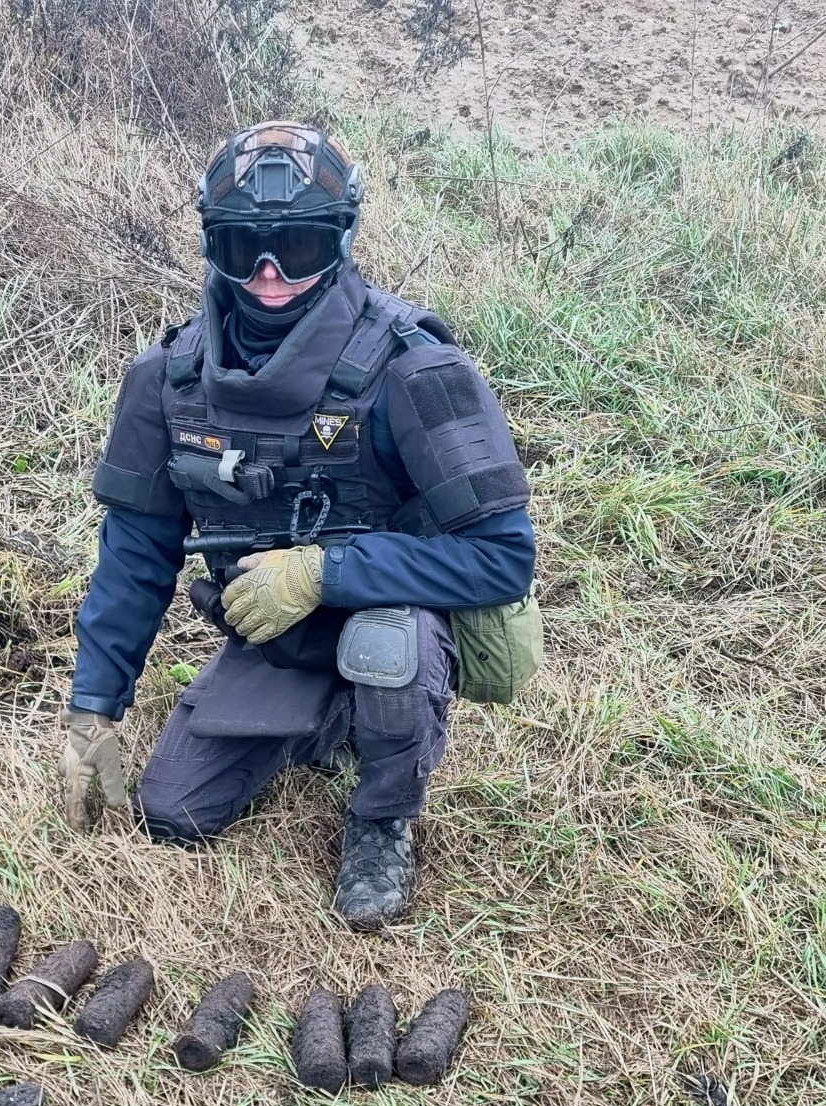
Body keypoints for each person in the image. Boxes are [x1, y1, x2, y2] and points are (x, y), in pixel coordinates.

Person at [59, 122, 536, 930]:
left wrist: (322, 572)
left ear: (343, 238)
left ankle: (382, 819)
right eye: (246, 249)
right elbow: (134, 558)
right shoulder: (167, 379)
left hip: (397, 614)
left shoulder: (414, 367)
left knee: (388, 646)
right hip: (276, 632)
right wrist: (93, 710)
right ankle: (331, 715)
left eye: (301, 245)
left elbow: (503, 560)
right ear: (214, 245)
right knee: (174, 811)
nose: (272, 275)